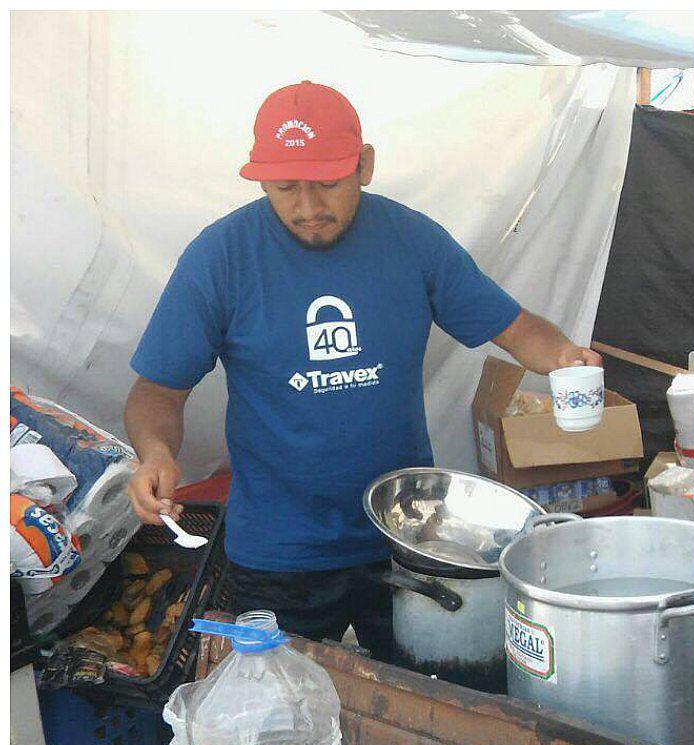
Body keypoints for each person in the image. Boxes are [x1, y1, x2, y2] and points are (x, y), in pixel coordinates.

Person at [123, 81, 601, 661]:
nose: (306, 208)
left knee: (428, 707)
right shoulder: (220, 257)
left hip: (409, 539)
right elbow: (159, 390)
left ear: (364, 166)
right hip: (280, 550)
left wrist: (566, 358)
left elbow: (514, 326)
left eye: (326, 183)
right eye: (284, 187)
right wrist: (154, 452)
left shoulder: (413, 241)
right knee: (282, 722)